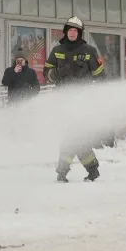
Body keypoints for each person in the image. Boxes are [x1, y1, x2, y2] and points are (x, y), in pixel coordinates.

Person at [45, 16, 105, 182]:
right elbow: (46, 75)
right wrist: (58, 73)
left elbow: (100, 76)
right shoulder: (57, 50)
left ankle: (62, 172)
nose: (72, 33)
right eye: (69, 30)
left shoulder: (89, 51)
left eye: (75, 30)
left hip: (83, 101)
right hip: (63, 101)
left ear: (79, 33)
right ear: (65, 32)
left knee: (72, 136)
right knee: (77, 137)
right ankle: (92, 169)